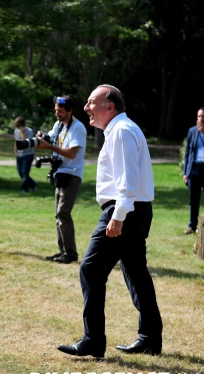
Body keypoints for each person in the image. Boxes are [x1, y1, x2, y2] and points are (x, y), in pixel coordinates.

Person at [57, 85, 162, 359]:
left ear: (109, 106)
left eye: (91, 102)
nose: (85, 107)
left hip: (125, 209)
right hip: (135, 209)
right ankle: (150, 338)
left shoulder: (121, 132)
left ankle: (93, 341)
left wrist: (117, 217)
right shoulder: (120, 129)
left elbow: (127, 179)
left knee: (90, 269)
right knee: (136, 271)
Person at [35, 95, 87, 264]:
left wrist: (49, 146)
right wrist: (41, 138)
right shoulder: (58, 125)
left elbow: (72, 153)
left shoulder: (77, 128)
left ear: (70, 111)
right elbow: (50, 138)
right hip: (60, 173)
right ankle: (62, 251)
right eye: (56, 110)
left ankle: (70, 253)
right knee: (58, 215)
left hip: (72, 175)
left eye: (60, 111)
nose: (57, 113)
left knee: (63, 213)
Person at [13, 116, 37, 194]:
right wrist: (15, 151)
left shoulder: (29, 131)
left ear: (22, 125)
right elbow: (16, 141)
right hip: (19, 155)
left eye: (18, 125)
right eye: (16, 126)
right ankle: (33, 184)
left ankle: (24, 189)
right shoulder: (16, 131)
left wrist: (23, 132)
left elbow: (28, 142)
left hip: (28, 154)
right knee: (20, 173)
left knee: (25, 172)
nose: (17, 127)